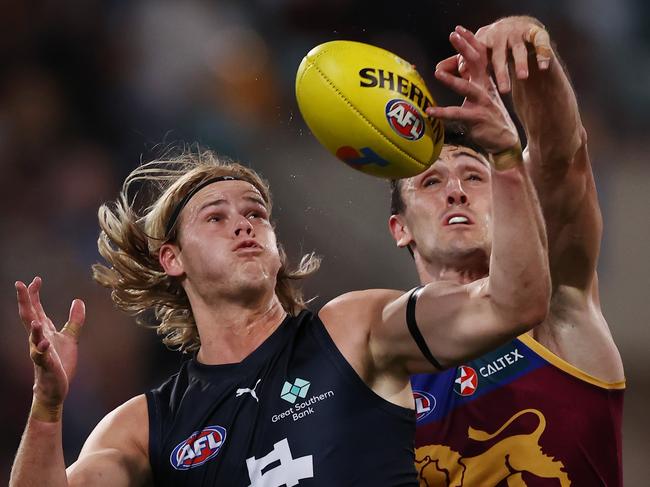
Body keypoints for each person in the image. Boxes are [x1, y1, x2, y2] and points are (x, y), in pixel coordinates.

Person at [10, 29, 550, 487]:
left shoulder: (353, 330)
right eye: (215, 217)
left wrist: (505, 157)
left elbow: (516, 304)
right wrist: (48, 408)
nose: (244, 223)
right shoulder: (145, 426)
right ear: (172, 259)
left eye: (257, 213)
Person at [389, 18, 624, 486]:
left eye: (475, 177)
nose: (455, 191)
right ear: (400, 229)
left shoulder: (556, 309)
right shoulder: (386, 371)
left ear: (507, 205)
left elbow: (562, 158)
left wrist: (534, 61)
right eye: (431, 182)